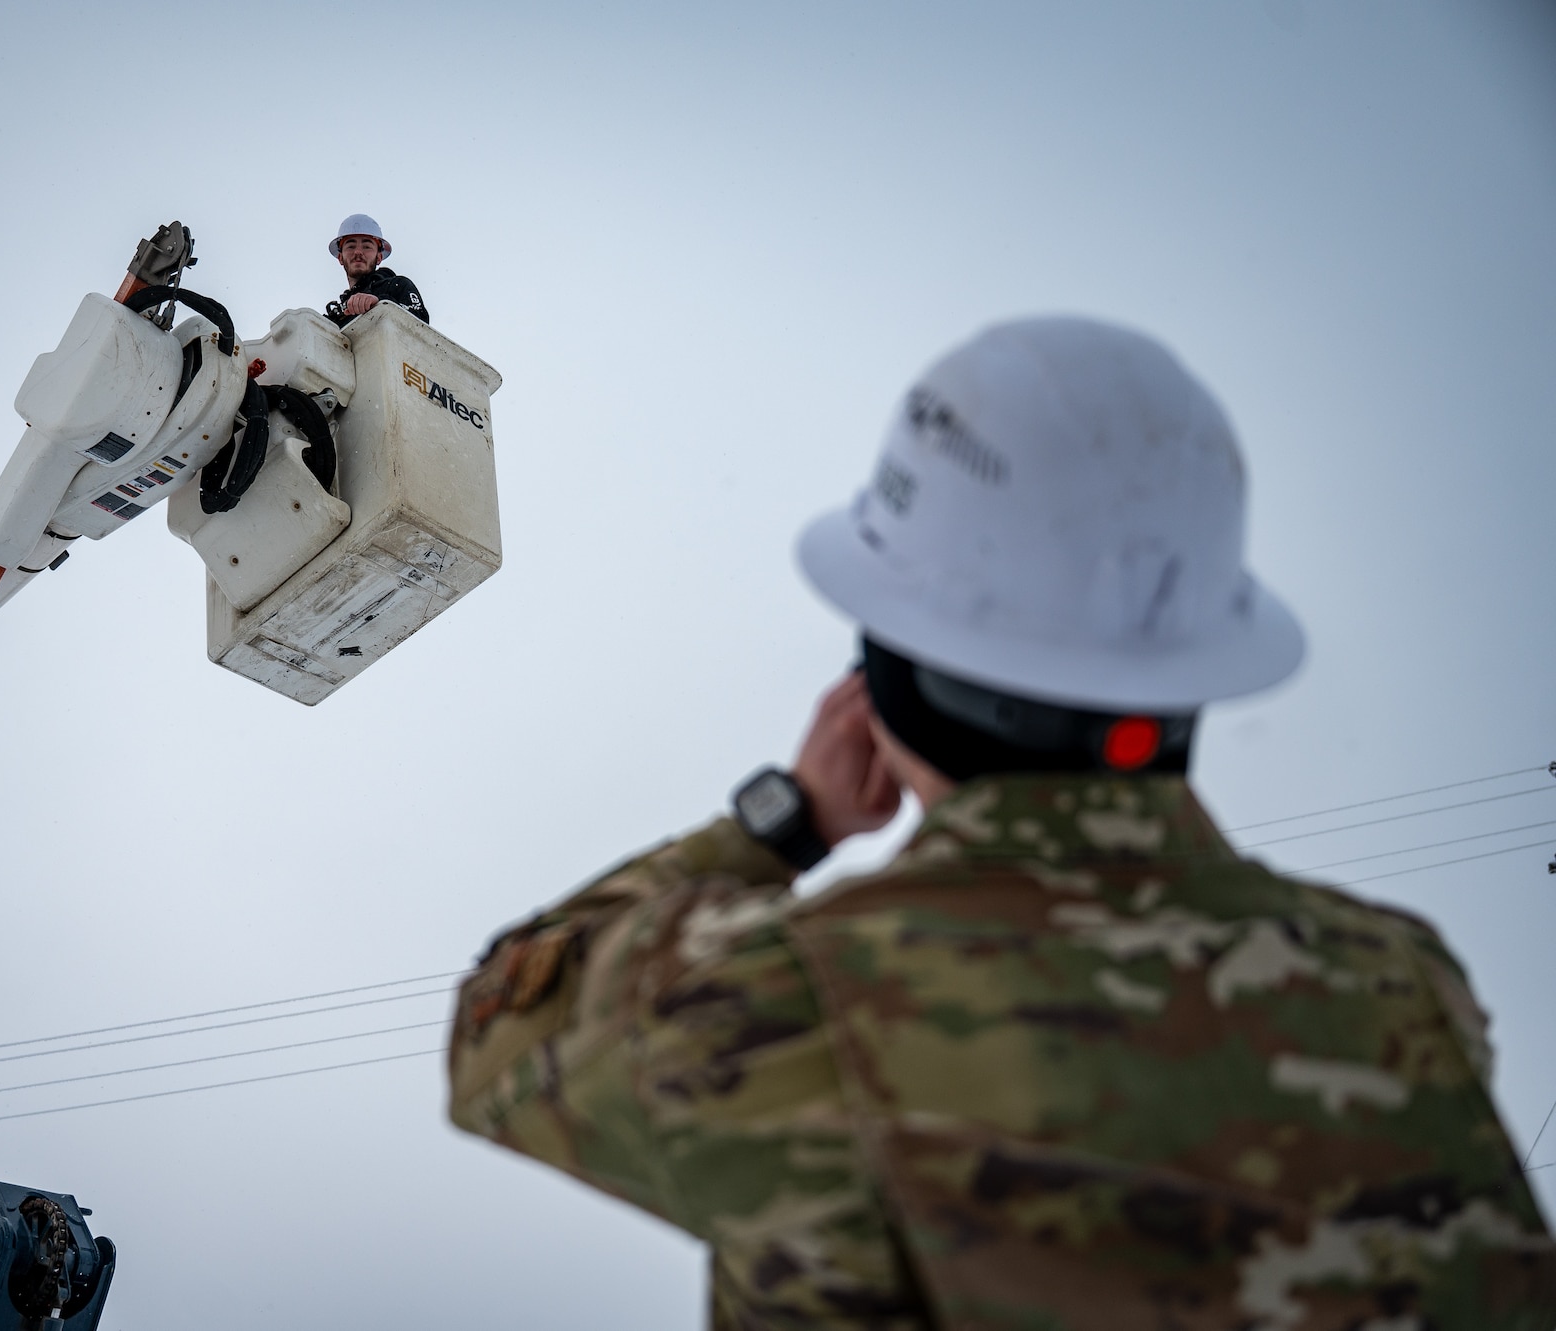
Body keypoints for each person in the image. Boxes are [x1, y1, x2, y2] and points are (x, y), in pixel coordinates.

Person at [446, 317, 1556, 1329]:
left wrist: (783, 823)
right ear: (1187, 678)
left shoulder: (788, 1001)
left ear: (882, 677)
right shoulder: (1407, 983)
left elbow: (497, 1038)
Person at [323, 213, 428, 328]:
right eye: (351, 246)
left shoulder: (398, 287)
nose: (358, 252)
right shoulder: (337, 317)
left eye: (366, 246)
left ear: (379, 257)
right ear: (340, 258)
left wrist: (382, 304)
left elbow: (421, 325)